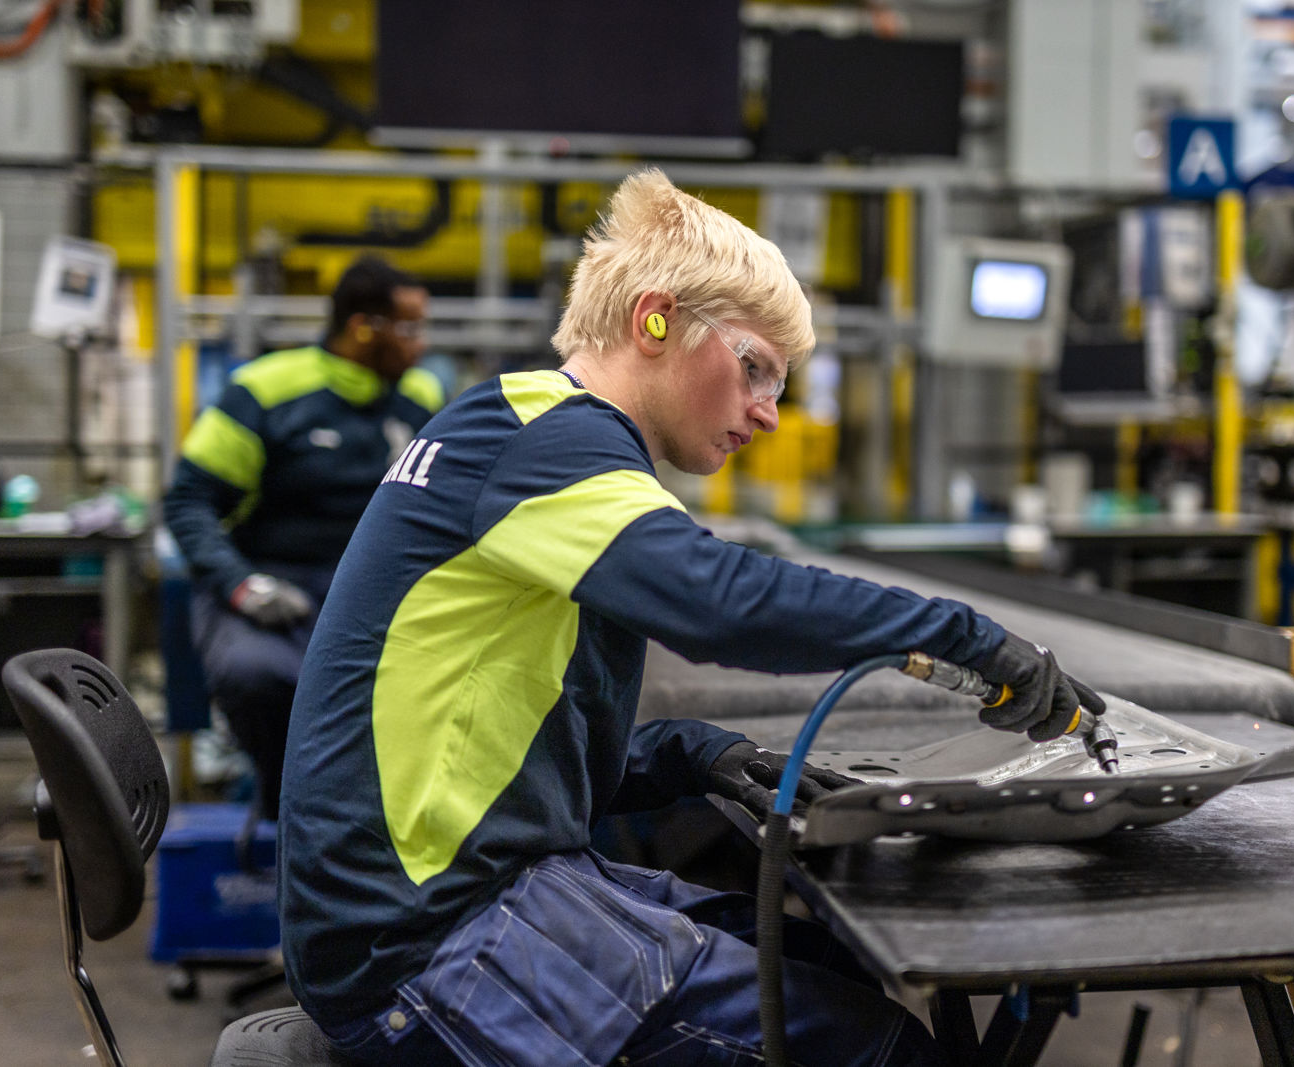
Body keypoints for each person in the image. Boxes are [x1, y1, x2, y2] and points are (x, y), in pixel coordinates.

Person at [278, 170, 1103, 1067]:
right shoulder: (549, 443)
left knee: (839, 968)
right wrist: (967, 640)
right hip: (423, 947)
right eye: (753, 368)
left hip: (440, 902)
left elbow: (497, 746)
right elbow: (720, 603)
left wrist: (686, 753)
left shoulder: (522, 432)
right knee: (881, 1051)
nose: (768, 413)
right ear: (654, 319)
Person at [164, 255, 443, 820]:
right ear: (364, 328)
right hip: (272, 583)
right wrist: (240, 586)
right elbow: (188, 502)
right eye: (410, 329)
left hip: (372, 592)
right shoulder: (265, 392)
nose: (421, 345)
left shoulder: (420, 400)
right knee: (258, 677)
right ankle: (286, 804)